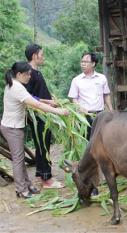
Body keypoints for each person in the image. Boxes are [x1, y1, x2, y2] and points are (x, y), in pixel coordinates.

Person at [0, 62, 69, 198]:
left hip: (14, 127)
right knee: (18, 159)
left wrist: (48, 102)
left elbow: (33, 99)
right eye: (27, 74)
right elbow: (36, 104)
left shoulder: (14, 84)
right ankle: (21, 190)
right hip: (12, 128)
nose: (29, 77)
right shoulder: (16, 87)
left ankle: (27, 185)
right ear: (19, 74)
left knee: (19, 158)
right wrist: (58, 111)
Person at [25, 43, 64, 189]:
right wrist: (48, 103)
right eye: (42, 54)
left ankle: (42, 174)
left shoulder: (36, 71)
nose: (43, 57)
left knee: (43, 145)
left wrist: (51, 101)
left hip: (44, 113)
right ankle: (46, 180)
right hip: (38, 116)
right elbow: (29, 97)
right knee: (43, 146)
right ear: (35, 55)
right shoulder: (28, 73)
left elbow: (38, 93)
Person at [68, 52, 113, 140]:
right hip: (84, 116)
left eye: (86, 62)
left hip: (100, 114)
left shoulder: (102, 78)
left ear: (93, 64)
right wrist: (80, 107)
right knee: (86, 140)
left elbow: (106, 95)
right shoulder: (76, 80)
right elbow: (73, 98)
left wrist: (111, 110)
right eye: (82, 61)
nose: (83, 64)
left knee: (101, 140)